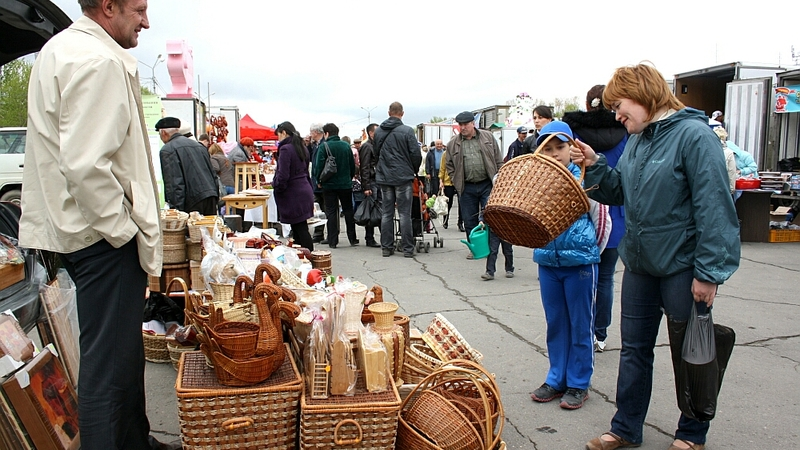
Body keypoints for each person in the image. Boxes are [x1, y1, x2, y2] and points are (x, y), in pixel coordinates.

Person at [18, 0, 179, 448]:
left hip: (84, 232)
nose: (146, 21)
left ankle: (133, 439)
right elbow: (88, 165)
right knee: (108, 367)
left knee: (120, 355)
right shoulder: (100, 61)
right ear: (108, 7)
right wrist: (122, 230)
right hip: (101, 239)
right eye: (139, 9)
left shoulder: (62, 49)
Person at [571, 63, 740, 450]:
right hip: (641, 265)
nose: (616, 115)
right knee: (633, 350)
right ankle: (626, 427)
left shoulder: (694, 136)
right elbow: (621, 191)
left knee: (691, 353)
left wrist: (709, 273)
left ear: (644, 95)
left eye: (620, 105)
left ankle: (692, 434)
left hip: (683, 268)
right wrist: (595, 165)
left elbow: (715, 207)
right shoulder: (639, 139)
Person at [528, 121, 600, 410]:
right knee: (555, 323)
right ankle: (556, 378)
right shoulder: (533, 181)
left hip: (580, 262)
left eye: (561, 147)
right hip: (547, 260)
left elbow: (604, 215)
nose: (556, 154)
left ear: (573, 148)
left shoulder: (585, 178)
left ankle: (579, 383)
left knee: (581, 324)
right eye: (549, 149)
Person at [563, 84, 629, 353]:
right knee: (606, 278)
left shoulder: (575, 131)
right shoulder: (627, 131)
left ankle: (581, 332)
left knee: (580, 278)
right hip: (617, 213)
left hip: (584, 211)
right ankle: (600, 334)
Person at [445, 111, 512, 280]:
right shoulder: (453, 144)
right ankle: (475, 247)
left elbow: (498, 159)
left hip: (487, 184)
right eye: (460, 125)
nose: (462, 128)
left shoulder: (487, 137)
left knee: (491, 217)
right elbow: (449, 166)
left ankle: (491, 248)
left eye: (465, 124)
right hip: (466, 187)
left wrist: (499, 179)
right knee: (469, 220)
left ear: (472, 124)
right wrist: (456, 180)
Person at [373, 102, 422, 257]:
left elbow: (376, 153)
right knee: (404, 214)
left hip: (385, 177)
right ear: (402, 113)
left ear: (389, 112)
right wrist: (413, 170)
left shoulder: (379, 131)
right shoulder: (407, 131)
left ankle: (386, 248)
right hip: (403, 177)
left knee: (387, 213)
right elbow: (416, 154)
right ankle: (408, 249)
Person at [157, 117, 219, 215]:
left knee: (192, 230)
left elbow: (174, 183)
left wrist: (177, 211)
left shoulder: (168, 150)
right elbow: (213, 174)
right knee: (209, 229)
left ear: (163, 133)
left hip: (191, 201)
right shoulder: (199, 146)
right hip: (210, 196)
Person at [272, 121, 315, 251]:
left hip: (293, 193)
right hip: (304, 189)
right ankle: (303, 258)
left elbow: (283, 175)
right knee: (299, 228)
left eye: (278, 135)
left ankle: (310, 258)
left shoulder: (286, 148)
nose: (278, 139)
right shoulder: (300, 146)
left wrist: (277, 186)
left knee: (300, 229)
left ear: (284, 132)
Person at [312, 123, 357, 248]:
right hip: (345, 184)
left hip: (329, 185)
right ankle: (352, 238)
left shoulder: (324, 146)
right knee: (348, 210)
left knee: (331, 211)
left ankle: (333, 240)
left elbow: (318, 166)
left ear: (326, 133)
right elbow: (352, 165)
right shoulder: (346, 146)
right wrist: (349, 177)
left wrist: (319, 181)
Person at [359, 123, 381, 247]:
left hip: (378, 180)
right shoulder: (367, 147)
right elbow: (365, 167)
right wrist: (366, 186)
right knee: (371, 210)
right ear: (371, 133)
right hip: (372, 181)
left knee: (378, 209)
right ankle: (369, 238)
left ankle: (382, 237)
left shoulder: (376, 146)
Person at [308, 123, 327, 243]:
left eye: (311, 132)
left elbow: (321, 164)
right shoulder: (315, 145)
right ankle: (318, 233)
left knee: (325, 208)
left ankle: (323, 233)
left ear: (316, 132)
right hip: (316, 182)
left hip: (322, 182)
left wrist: (320, 180)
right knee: (318, 208)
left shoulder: (324, 144)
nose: (310, 134)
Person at [438, 150, 462, 230]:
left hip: (460, 181)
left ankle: (460, 223)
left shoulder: (462, 151)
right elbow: (442, 167)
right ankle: (445, 220)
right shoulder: (446, 153)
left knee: (462, 203)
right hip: (448, 181)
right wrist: (441, 181)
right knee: (448, 203)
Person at [712, 127, 738, 193]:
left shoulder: (707, 150)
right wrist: (731, 189)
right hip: (723, 189)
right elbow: (731, 172)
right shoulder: (729, 153)